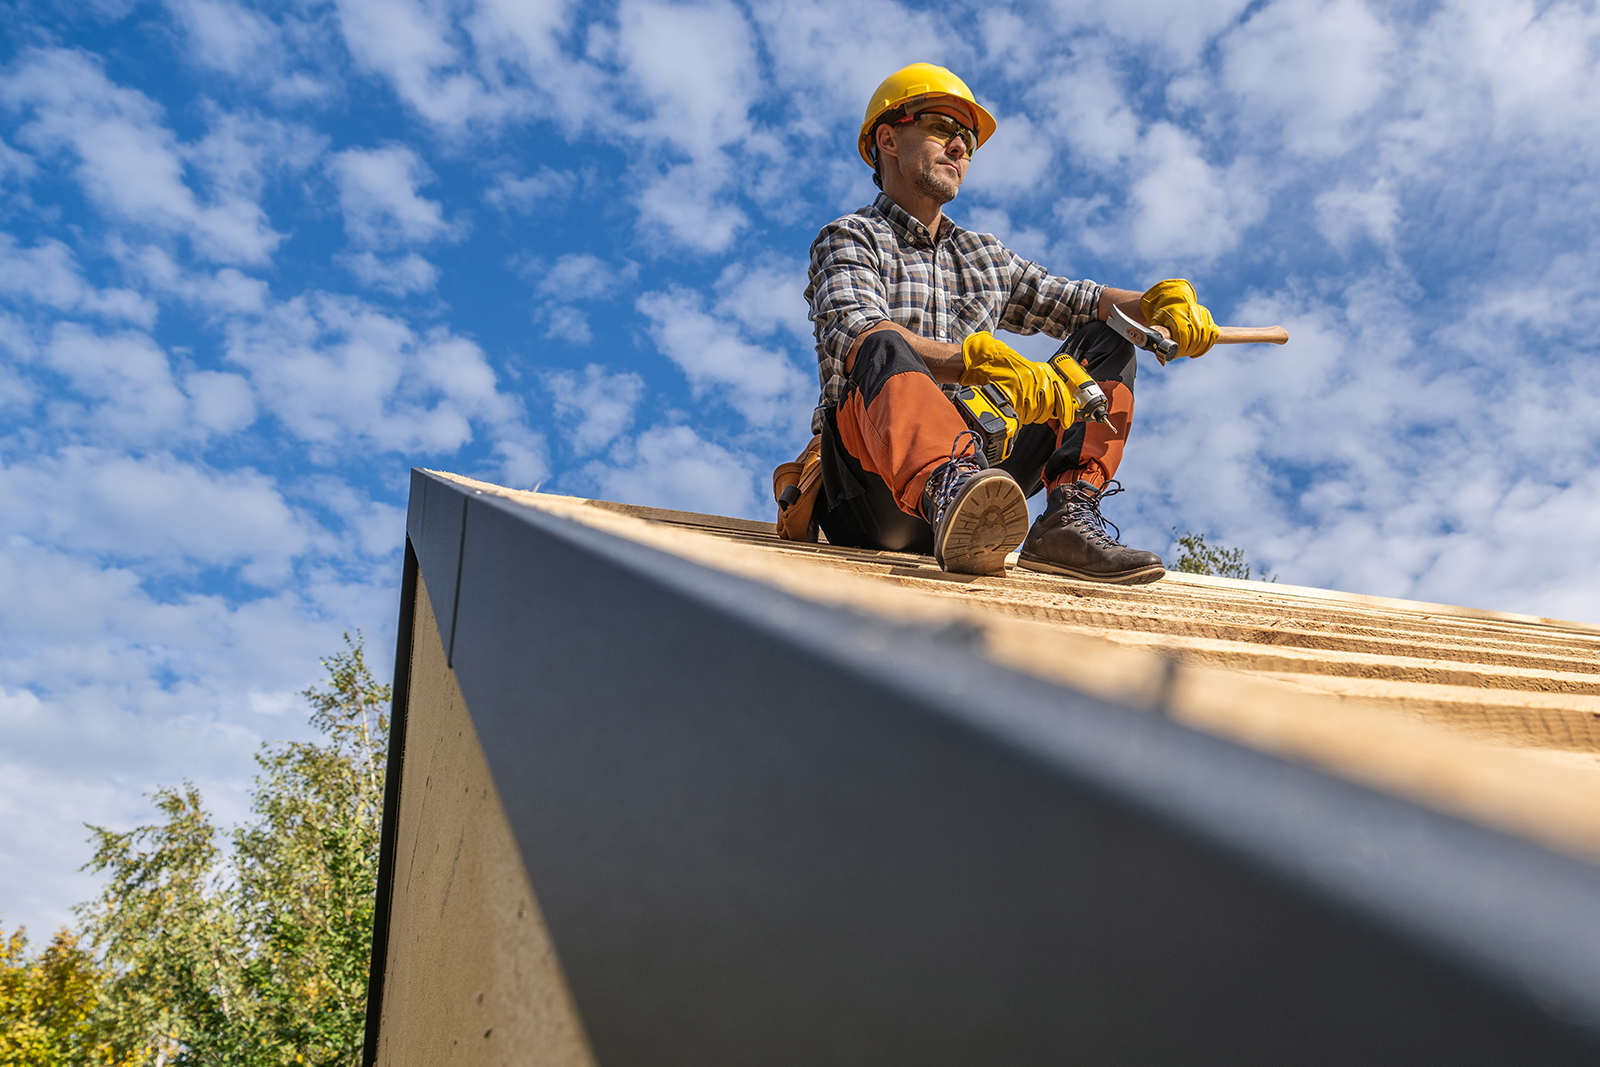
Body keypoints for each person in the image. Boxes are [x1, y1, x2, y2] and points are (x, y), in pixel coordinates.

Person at [804, 62, 1219, 583]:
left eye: (969, 139)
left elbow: (1081, 301)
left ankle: (1065, 520)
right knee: (881, 342)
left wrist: (1156, 306)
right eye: (942, 127)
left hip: (981, 478)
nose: (960, 146)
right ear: (887, 138)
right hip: (872, 490)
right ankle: (948, 488)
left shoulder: (983, 255)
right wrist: (979, 364)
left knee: (1107, 337)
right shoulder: (850, 237)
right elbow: (854, 332)